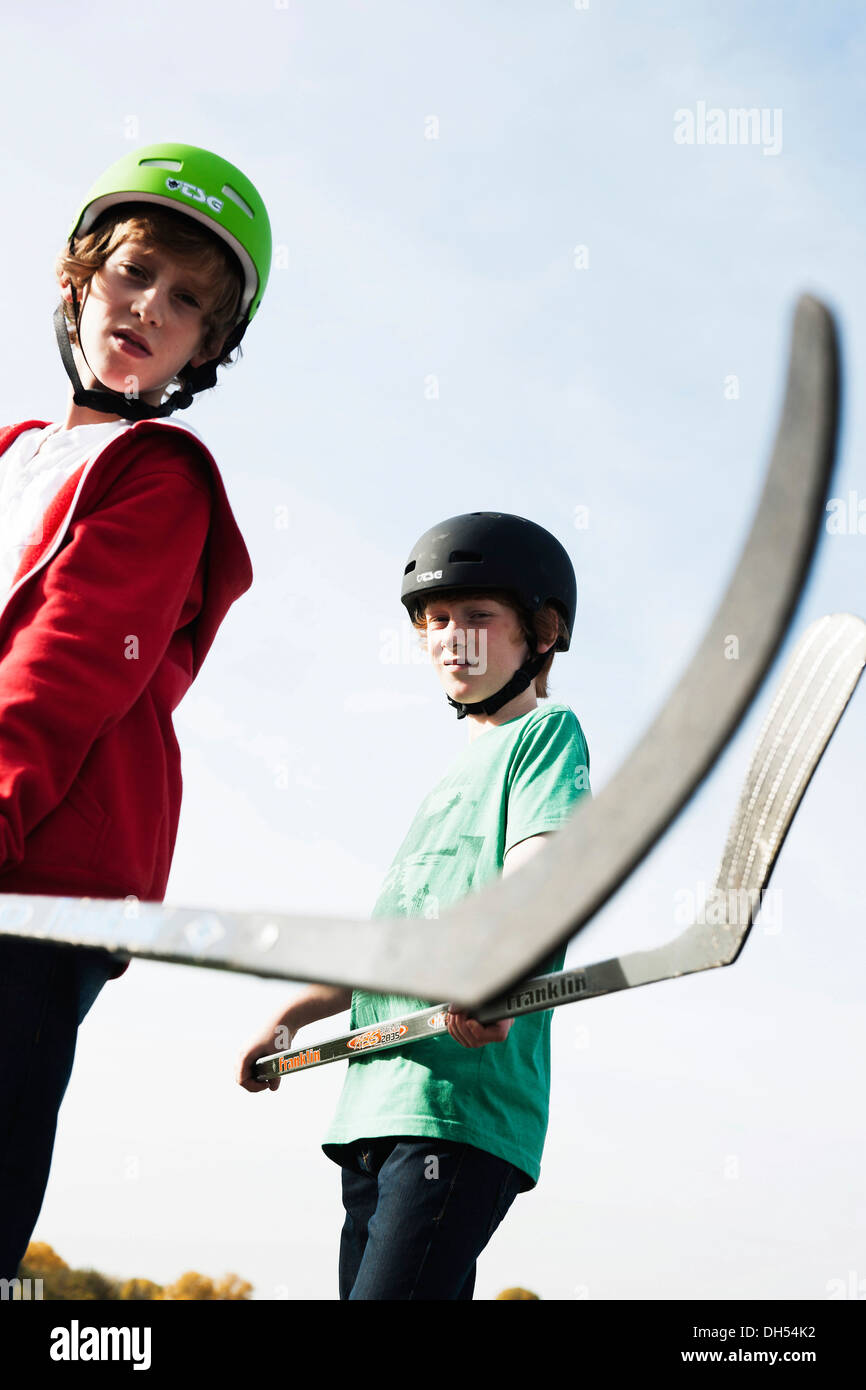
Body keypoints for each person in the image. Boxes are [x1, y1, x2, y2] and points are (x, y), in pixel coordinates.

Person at [0, 142, 271, 1279]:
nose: (150, 308)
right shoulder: (17, 453)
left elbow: (69, 669)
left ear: (206, 347)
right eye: (134, 274)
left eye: (187, 303)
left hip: (33, 879)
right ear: (79, 279)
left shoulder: (158, 472)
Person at [239, 511, 591, 1300]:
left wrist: (501, 972)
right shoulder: (447, 782)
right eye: (434, 622)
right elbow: (388, 949)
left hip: (458, 1107)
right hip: (375, 1106)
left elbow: (544, 876)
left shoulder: (545, 737)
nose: (450, 638)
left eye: (477, 617)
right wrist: (292, 1017)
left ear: (540, 633)